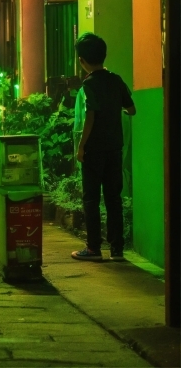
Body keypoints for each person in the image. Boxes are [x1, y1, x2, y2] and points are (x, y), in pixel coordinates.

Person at [72, 33, 136, 262]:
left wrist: (81, 146)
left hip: (94, 149)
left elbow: (90, 116)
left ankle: (93, 248)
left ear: (82, 60)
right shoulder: (115, 79)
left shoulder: (89, 84)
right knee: (113, 198)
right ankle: (117, 250)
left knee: (91, 198)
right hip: (114, 148)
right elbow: (131, 109)